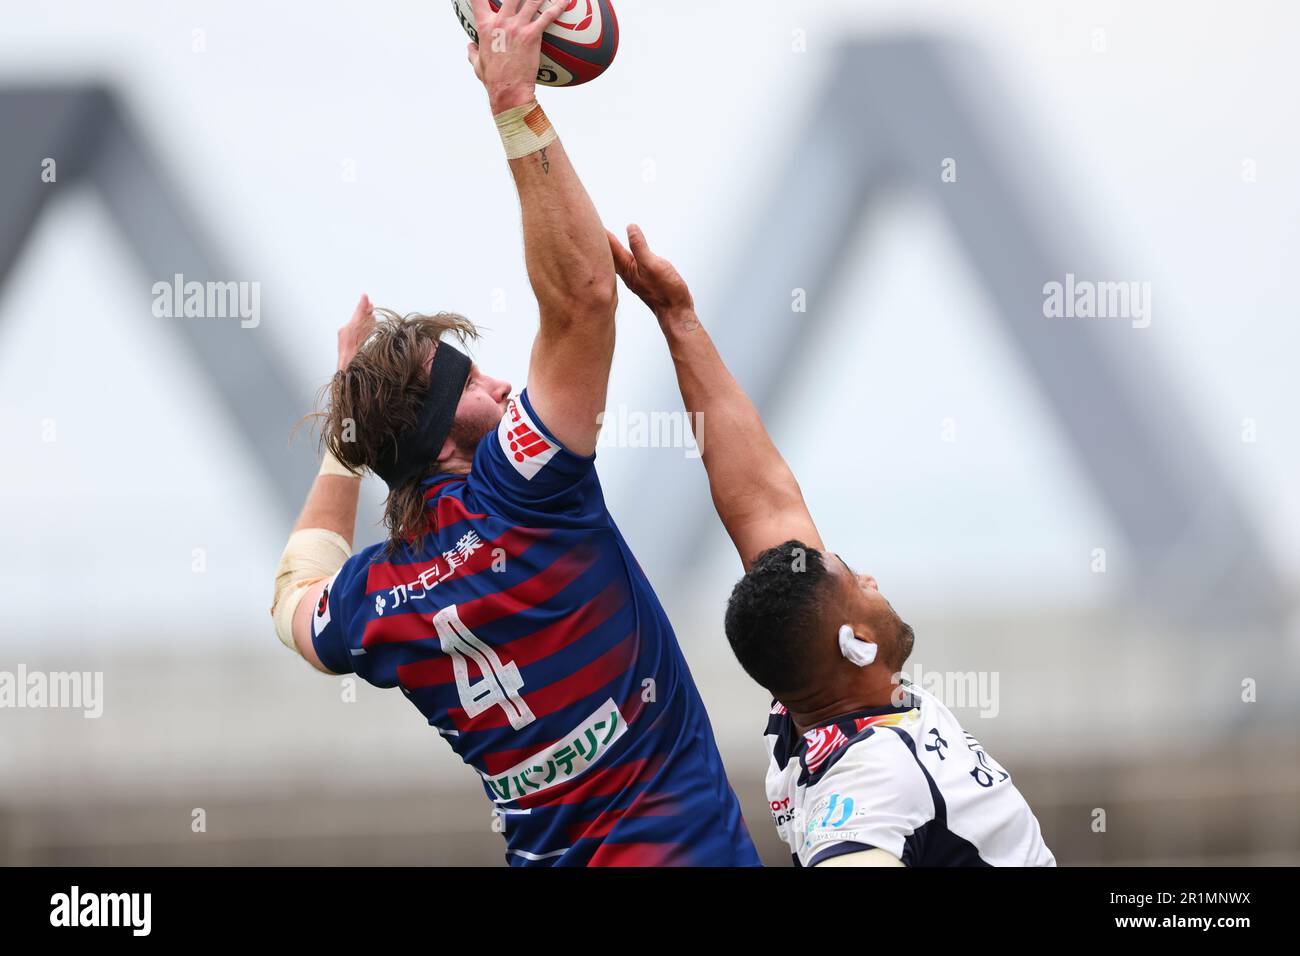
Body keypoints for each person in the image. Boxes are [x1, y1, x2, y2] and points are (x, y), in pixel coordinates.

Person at [269, 0, 758, 867]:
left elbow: (292, 599)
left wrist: (348, 440)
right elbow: (584, 300)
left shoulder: (375, 601)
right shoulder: (521, 492)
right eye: (462, 378)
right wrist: (513, 103)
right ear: (437, 434)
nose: (496, 379)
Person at [607, 222, 1056, 868]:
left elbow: (761, 498)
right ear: (856, 643)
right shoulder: (872, 782)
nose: (870, 580)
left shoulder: (803, 696)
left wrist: (678, 320)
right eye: (856, 584)